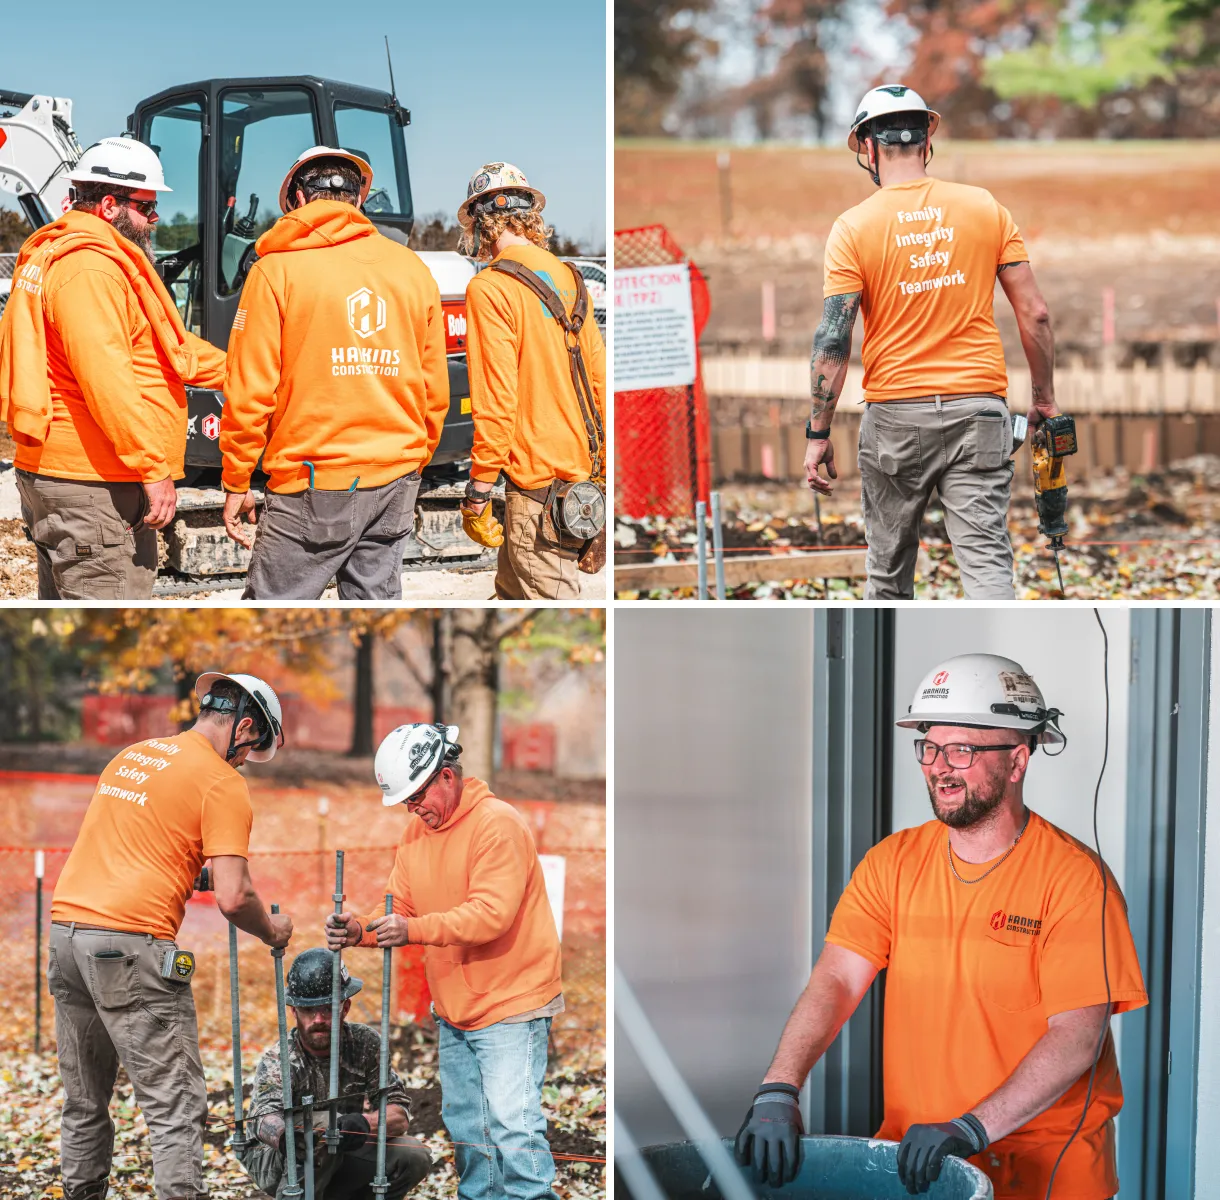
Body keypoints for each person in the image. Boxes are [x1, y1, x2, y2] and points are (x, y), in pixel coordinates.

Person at [735, 654, 1147, 1200]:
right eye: (929, 748)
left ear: (1017, 761)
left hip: (1045, 1174)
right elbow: (836, 978)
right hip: (920, 1164)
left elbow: (1077, 1037)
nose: (939, 766)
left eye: (962, 750)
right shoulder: (893, 862)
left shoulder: (1075, 880)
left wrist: (971, 1127)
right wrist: (779, 1088)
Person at [803, 86, 1059, 600]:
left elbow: (834, 336)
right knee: (987, 564)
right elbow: (1035, 312)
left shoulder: (853, 228)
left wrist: (818, 431)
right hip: (979, 413)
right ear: (927, 140)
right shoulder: (983, 207)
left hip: (896, 420)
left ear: (867, 149)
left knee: (889, 574)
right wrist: (1044, 399)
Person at [48, 672, 292, 1200]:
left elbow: (137, 844)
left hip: (66, 938)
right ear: (243, 727)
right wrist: (274, 932)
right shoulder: (222, 783)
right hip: (129, 949)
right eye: (253, 749)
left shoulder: (134, 755)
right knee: (175, 1106)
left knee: (85, 1101)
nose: (247, 760)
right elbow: (234, 897)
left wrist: (188, 872)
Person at [325, 723, 564, 1200]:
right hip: (455, 1010)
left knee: (513, 1127)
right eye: (407, 802)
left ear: (446, 777)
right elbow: (402, 908)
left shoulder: (497, 824)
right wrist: (361, 930)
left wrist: (411, 930)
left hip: (511, 1005)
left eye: (417, 797)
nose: (414, 810)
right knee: (468, 1127)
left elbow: (490, 915)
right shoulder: (417, 834)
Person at [0, 136, 227, 599]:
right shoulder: (90, 268)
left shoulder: (61, 254)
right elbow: (108, 380)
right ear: (109, 204)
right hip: (92, 481)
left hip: (67, 472)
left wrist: (257, 370)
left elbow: (168, 350)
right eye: (147, 206)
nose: (156, 219)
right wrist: (154, 469)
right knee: (112, 631)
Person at [220, 146, 449, 600]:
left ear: (300, 200)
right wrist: (414, 458)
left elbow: (250, 390)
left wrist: (236, 479)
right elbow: (433, 388)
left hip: (313, 480)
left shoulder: (275, 270)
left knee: (274, 615)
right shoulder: (412, 269)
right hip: (396, 477)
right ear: (358, 200)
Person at [457, 162, 606, 599]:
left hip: (536, 491)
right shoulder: (570, 279)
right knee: (509, 597)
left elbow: (497, 401)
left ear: (482, 224)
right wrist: (602, 476)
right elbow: (598, 381)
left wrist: (479, 491)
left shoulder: (490, 288)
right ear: (530, 217)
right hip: (580, 485)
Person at [237, 948, 431, 1199]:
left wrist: (364, 1124)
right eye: (309, 1010)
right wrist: (285, 1137)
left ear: (345, 1006)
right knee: (322, 1127)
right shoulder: (279, 1058)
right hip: (276, 1159)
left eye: (328, 1008)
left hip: (337, 1149)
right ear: (294, 1011)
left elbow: (399, 1114)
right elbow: (263, 1118)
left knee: (413, 1155)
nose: (319, 1019)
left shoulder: (366, 1043)